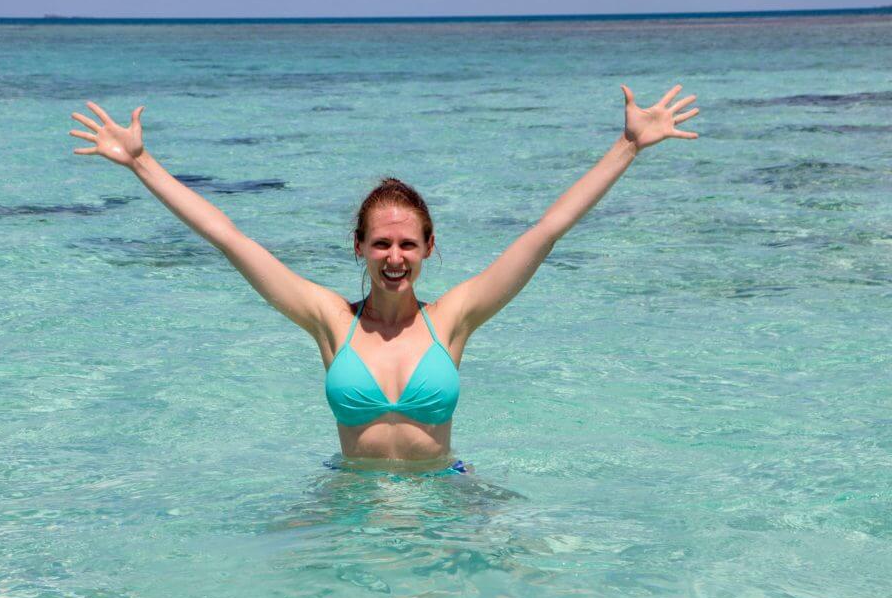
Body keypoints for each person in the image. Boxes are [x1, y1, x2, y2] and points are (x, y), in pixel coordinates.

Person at [69, 85, 699, 466]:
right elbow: (228, 236)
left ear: (428, 247)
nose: (394, 256)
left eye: (406, 243)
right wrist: (142, 163)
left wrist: (628, 147)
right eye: (380, 244)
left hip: (444, 497)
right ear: (360, 250)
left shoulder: (453, 319)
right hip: (350, 499)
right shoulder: (328, 321)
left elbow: (545, 231)